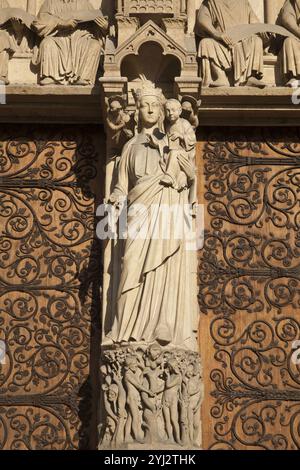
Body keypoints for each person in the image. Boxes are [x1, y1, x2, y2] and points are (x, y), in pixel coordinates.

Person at [105, 78, 199, 352]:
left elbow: (187, 176)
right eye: (143, 105)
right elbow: (122, 184)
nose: (148, 110)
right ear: (137, 110)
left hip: (168, 208)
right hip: (138, 212)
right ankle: (123, 329)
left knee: (165, 267)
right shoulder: (130, 146)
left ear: (161, 110)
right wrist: (116, 197)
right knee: (129, 267)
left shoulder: (174, 143)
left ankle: (163, 324)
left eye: (153, 106)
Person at [33, 0, 108, 85]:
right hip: (58, 37)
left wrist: (104, 28)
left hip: (81, 39)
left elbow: (95, 27)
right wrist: (60, 23)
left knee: (95, 45)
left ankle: (84, 77)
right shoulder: (50, 3)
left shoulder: (84, 3)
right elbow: (38, 23)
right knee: (47, 43)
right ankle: (50, 76)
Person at [196, 0, 266, 87]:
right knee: (205, 43)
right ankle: (220, 76)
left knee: (256, 40)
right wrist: (216, 34)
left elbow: (254, 21)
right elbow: (202, 20)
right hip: (221, 42)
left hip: (243, 40)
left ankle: (250, 76)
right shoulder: (212, 2)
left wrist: (263, 29)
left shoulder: (243, 2)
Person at [160, 99, 196, 192]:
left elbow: (192, 139)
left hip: (184, 154)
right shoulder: (167, 126)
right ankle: (178, 180)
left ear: (180, 111)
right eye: (167, 111)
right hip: (171, 155)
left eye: (173, 110)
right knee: (171, 154)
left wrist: (181, 136)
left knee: (174, 153)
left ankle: (170, 176)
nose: (170, 113)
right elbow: (164, 141)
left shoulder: (184, 123)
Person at [277, 0, 300, 86]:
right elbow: (286, 19)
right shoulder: (291, 3)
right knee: (289, 41)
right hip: (298, 38)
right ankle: (295, 76)